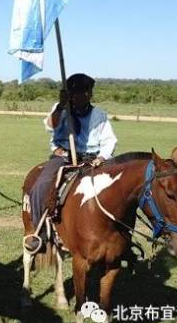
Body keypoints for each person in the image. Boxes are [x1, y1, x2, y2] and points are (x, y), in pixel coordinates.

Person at [24, 73, 117, 251]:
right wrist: (60, 106)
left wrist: (102, 157)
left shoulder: (99, 115)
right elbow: (50, 125)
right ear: (70, 94)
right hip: (63, 156)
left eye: (87, 92)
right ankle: (39, 231)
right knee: (41, 186)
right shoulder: (60, 109)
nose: (83, 96)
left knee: (118, 188)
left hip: (93, 158)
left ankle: (116, 235)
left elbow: (109, 141)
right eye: (78, 93)